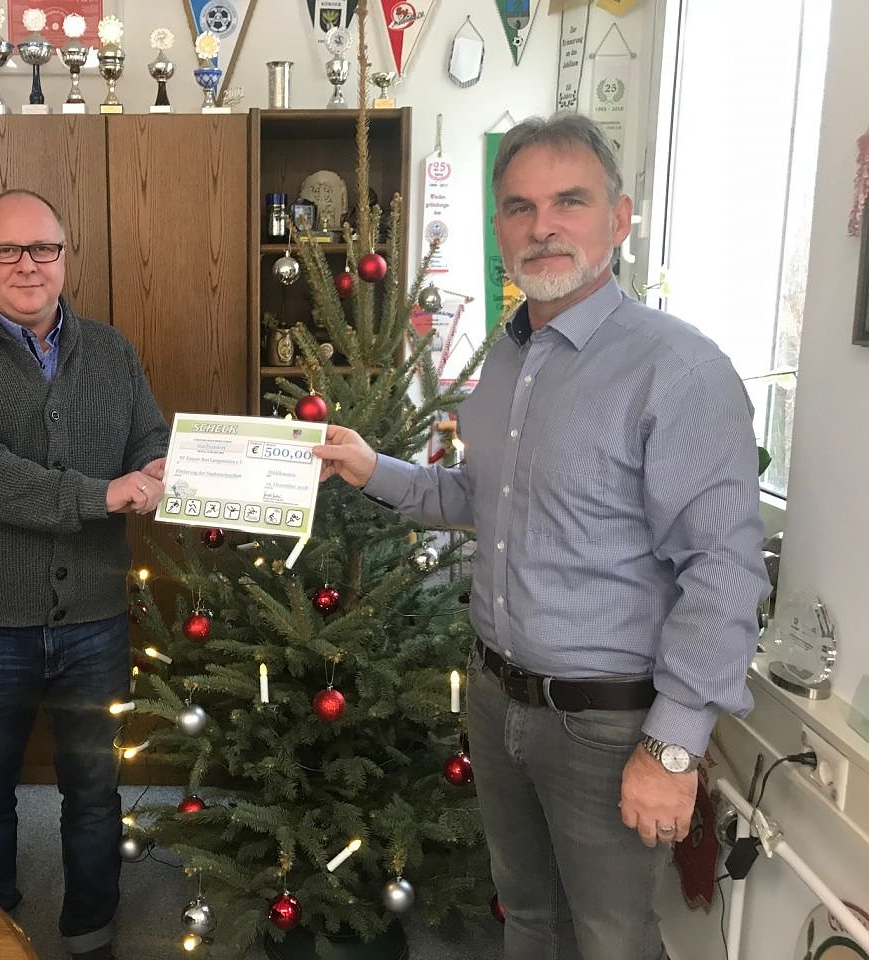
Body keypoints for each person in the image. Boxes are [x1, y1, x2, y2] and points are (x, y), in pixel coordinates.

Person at [313, 114, 770, 960]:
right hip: (497, 701)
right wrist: (373, 468)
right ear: (499, 229)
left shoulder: (678, 369)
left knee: (611, 940)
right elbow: (480, 497)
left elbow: (725, 571)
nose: (543, 226)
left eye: (570, 201)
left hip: (610, 726)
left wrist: (672, 748)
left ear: (619, 219)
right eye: (520, 207)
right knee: (525, 915)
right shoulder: (510, 359)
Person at [0, 189, 169, 960]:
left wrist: (157, 465)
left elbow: (148, 434)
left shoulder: (111, 351)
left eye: (43, 248)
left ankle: (91, 930)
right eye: (6, 250)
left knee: (95, 790)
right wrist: (102, 495)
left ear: (64, 256)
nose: (27, 265)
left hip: (94, 617)